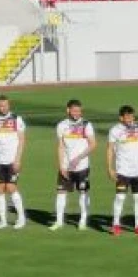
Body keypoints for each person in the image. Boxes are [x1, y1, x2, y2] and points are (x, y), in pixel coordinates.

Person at [51, 99, 96, 231]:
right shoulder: (61, 125)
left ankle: (83, 220)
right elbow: (60, 146)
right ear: (68, 110)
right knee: (61, 192)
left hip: (82, 166)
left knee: (83, 192)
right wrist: (61, 165)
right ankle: (59, 221)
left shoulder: (86, 125)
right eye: (74, 110)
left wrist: (80, 157)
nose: (77, 113)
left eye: (79, 111)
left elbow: (93, 144)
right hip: (66, 166)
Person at [106, 105, 138, 236]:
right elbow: (109, 149)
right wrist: (109, 168)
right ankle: (116, 225)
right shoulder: (115, 130)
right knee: (120, 197)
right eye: (127, 116)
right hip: (123, 170)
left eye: (132, 116)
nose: (130, 118)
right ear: (121, 117)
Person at [0, 95, 26, 229]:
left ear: (9, 105)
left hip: (12, 160)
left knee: (11, 188)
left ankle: (21, 218)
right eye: (1, 105)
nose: (4, 107)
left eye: (6, 105)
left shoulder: (17, 119)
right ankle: (3, 220)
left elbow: (22, 140)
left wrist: (18, 159)